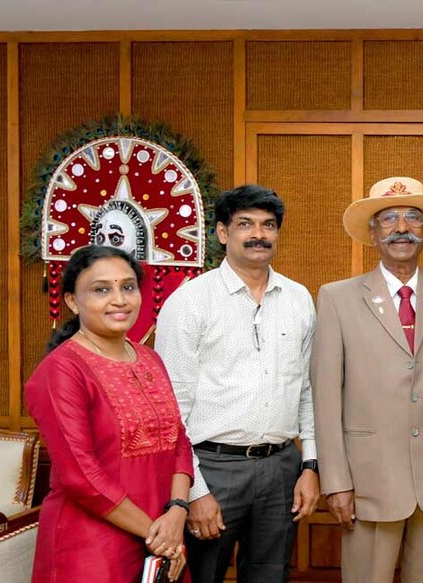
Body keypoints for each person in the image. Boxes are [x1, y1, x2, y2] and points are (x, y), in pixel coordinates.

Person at [311, 176, 423, 583]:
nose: (401, 228)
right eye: (388, 218)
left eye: (413, 218)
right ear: (373, 233)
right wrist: (335, 480)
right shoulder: (337, 298)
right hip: (367, 482)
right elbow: (325, 397)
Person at [155, 185, 319, 583]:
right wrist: (194, 492)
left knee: (270, 576)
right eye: (245, 224)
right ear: (223, 233)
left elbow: (306, 389)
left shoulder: (298, 299)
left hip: (282, 467)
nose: (258, 234)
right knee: (202, 574)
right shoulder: (190, 301)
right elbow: (170, 406)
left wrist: (310, 464)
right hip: (212, 468)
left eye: (268, 225)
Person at [25, 245, 192, 582]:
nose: (119, 299)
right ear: (72, 301)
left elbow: (179, 443)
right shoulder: (61, 370)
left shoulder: (150, 359)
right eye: (101, 289)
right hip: (91, 548)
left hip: (161, 536)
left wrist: (177, 511)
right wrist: (159, 536)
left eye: (128, 287)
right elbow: (80, 476)